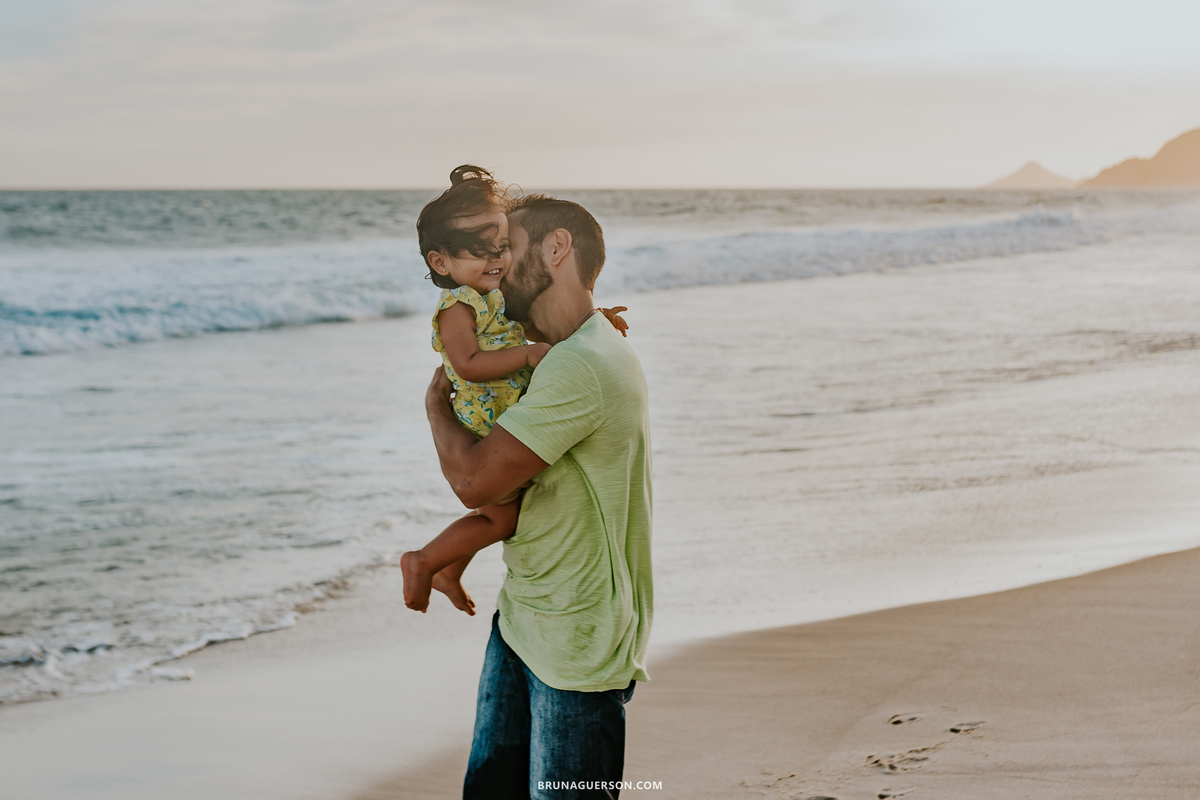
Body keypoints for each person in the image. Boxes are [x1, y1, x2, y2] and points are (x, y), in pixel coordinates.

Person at [423, 191, 653, 799]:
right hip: (527, 615)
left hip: (575, 638)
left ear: (557, 249)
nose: (495, 263)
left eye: (507, 247)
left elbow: (473, 483)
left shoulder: (579, 365)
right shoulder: (576, 346)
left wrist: (432, 407)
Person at [400, 165, 551, 615]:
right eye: (479, 252)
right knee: (500, 516)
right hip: (485, 421)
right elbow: (466, 365)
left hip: (507, 411)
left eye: (501, 246)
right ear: (441, 261)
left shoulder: (497, 294)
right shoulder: (457, 306)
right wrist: (526, 356)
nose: (495, 259)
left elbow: (540, 324)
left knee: (499, 514)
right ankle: (424, 560)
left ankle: (448, 568)